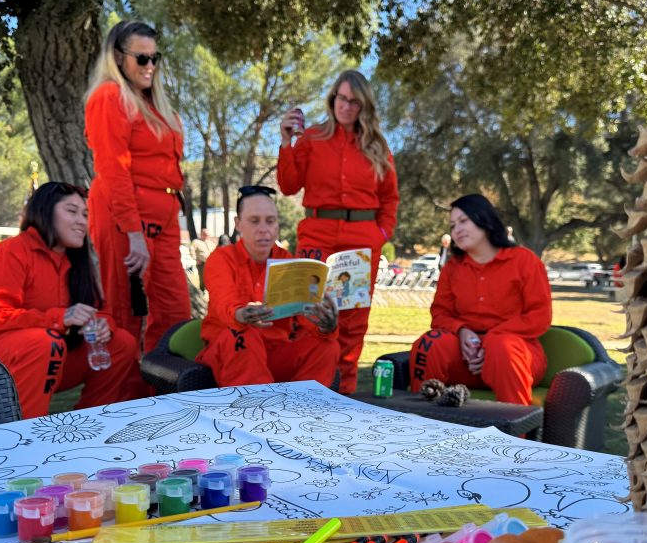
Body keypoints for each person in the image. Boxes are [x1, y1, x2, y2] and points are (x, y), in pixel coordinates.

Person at [0, 182, 138, 419]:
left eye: (85, 214)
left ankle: (91, 423)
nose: (82, 221)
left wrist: (104, 325)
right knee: (44, 341)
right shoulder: (10, 252)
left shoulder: (79, 264)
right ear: (44, 211)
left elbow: (97, 310)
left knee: (122, 342)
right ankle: (25, 432)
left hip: (48, 358)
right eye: (71, 211)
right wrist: (61, 318)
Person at [277, 70, 399, 393]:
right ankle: (306, 393)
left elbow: (390, 198)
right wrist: (286, 141)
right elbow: (289, 186)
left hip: (361, 238)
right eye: (341, 98)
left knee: (352, 323)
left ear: (364, 107)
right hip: (317, 234)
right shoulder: (312, 138)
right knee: (309, 315)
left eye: (354, 102)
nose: (346, 107)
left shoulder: (377, 146)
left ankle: (344, 396)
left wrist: (380, 235)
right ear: (333, 99)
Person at [84, 20, 191, 360]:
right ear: (118, 57)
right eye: (141, 58)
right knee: (125, 313)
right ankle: (120, 402)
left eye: (154, 57)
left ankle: (161, 392)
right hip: (126, 218)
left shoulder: (158, 105)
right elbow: (113, 168)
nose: (150, 66)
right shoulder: (109, 97)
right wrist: (133, 232)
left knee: (175, 313)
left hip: (165, 218)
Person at [409, 194, 552, 406]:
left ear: (484, 219)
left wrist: (490, 339)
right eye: (452, 225)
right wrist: (461, 330)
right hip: (466, 358)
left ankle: (514, 433)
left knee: (500, 346)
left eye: (464, 221)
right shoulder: (452, 268)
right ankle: (420, 423)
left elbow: (539, 316)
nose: (457, 229)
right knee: (429, 343)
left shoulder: (525, 261)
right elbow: (440, 313)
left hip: (514, 356)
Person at [198, 186, 340, 388]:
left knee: (327, 346)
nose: (263, 229)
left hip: (274, 353)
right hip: (230, 351)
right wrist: (240, 314)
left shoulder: (288, 261)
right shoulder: (221, 258)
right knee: (245, 333)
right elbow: (224, 302)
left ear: (277, 225)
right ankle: (256, 413)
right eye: (254, 221)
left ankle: (302, 413)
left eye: (270, 221)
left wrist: (325, 326)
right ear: (238, 224)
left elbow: (305, 318)